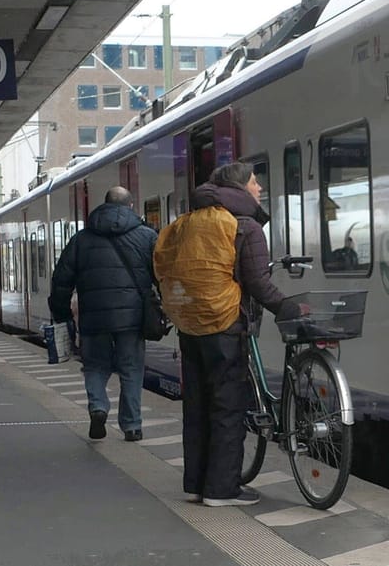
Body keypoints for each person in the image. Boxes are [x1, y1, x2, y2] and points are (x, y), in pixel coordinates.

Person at [154, 161, 299, 507]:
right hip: (225, 325)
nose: (259, 188)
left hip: (190, 326)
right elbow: (258, 283)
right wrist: (288, 307)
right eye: (254, 181)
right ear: (239, 188)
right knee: (226, 407)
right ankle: (222, 489)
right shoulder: (244, 226)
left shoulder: (187, 222)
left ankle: (197, 484)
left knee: (197, 406)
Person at [49, 186, 157, 442]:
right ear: (131, 206)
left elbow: (61, 279)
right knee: (131, 369)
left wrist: (62, 312)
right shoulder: (146, 237)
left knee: (95, 366)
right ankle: (132, 426)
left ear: (104, 205)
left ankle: (98, 408)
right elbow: (161, 273)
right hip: (132, 318)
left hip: (94, 318)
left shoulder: (81, 239)